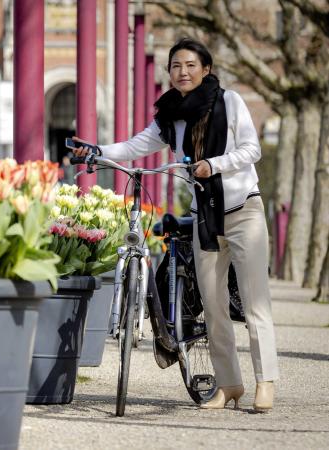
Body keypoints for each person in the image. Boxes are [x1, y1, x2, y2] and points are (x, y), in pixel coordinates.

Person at [72, 37, 278, 412]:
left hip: (242, 210)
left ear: (206, 69)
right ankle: (229, 384)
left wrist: (212, 165)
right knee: (213, 306)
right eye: (176, 66)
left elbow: (252, 150)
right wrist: (99, 151)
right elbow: (137, 146)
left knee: (254, 303)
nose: (183, 72)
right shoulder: (171, 115)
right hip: (204, 218)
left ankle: (266, 382)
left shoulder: (229, 102)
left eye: (190, 65)